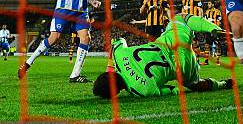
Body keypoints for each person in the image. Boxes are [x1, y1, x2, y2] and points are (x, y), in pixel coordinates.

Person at [92, 14, 231, 98]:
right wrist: (110, 66)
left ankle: (223, 84)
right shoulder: (118, 54)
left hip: (181, 65)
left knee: (194, 84)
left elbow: (172, 90)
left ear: (115, 92)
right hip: (172, 41)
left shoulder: (141, 91)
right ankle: (214, 29)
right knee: (180, 18)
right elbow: (118, 41)